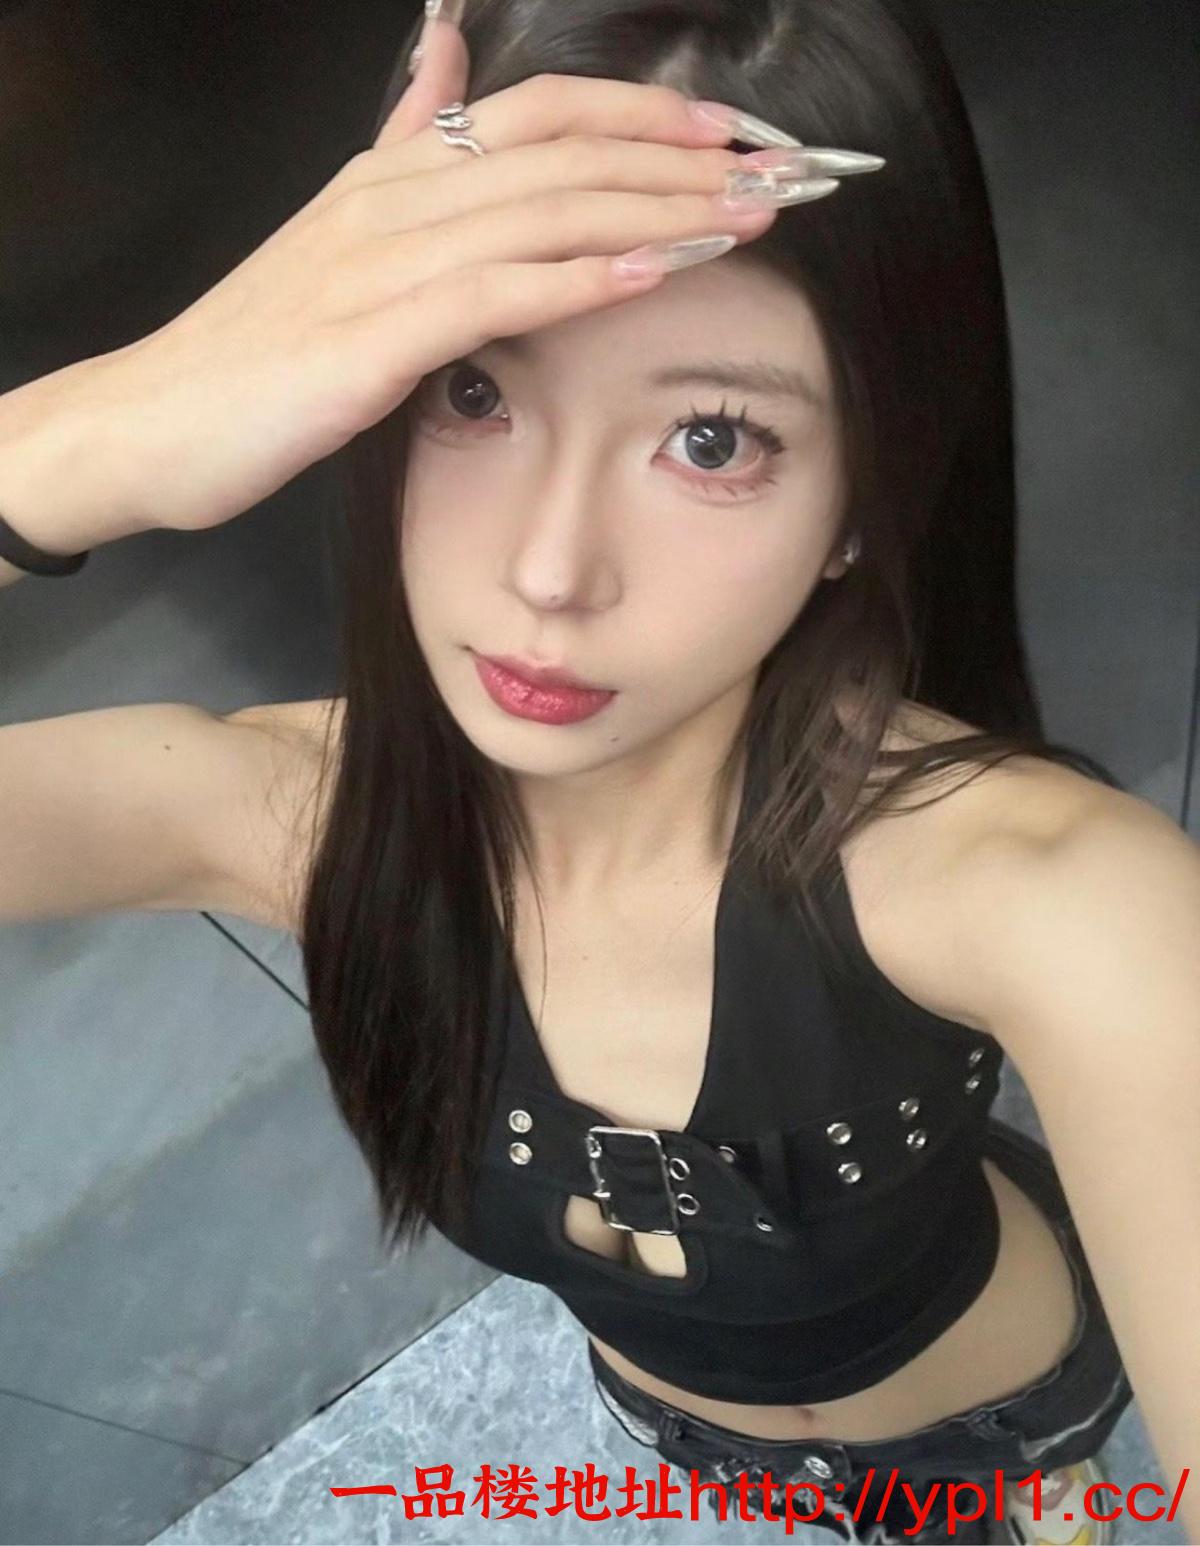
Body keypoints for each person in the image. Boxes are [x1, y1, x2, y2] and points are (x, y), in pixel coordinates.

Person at [1, 1, 1197, 1542]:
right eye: (473, 390)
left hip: (996, 1425)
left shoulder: (1065, 901)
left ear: (863, 496)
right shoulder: (302, 818)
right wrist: (90, 439)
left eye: (712, 438)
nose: (551, 570)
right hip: (672, 1431)